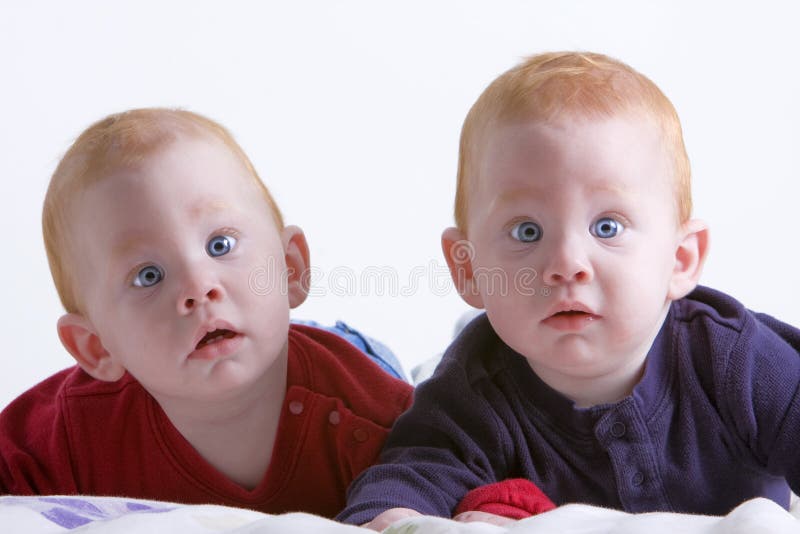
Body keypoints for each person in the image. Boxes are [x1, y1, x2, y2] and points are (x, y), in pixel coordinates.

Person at [337, 51, 800, 529]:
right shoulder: (474, 390)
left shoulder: (737, 361)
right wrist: (393, 516)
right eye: (527, 232)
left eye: (606, 226)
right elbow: (411, 475)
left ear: (680, 259)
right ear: (470, 269)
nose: (566, 266)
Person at [0, 108, 413, 518]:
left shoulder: (372, 417)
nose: (198, 288)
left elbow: (453, 469)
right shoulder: (74, 430)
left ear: (289, 269)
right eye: (148, 275)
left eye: (221, 245)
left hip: (331, 355)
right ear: (96, 349)